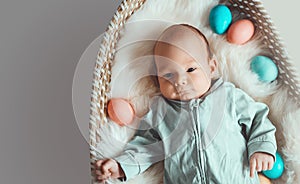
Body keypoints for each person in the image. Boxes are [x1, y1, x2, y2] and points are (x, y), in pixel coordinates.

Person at [94, 24, 277, 183]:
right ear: (158, 80)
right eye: (168, 75)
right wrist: (122, 165)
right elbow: (146, 147)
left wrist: (262, 148)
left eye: (190, 69)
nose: (180, 81)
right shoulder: (161, 112)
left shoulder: (228, 96)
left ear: (211, 67)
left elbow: (257, 119)